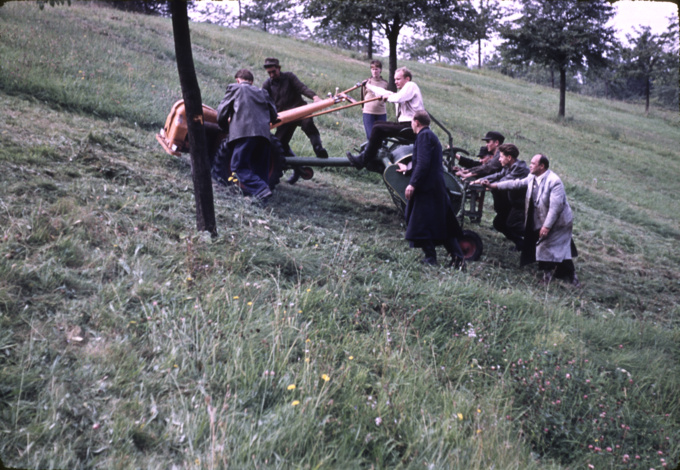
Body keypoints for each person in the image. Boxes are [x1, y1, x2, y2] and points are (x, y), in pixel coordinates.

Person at [485, 154, 580, 286]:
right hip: (543, 218)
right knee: (547, 247)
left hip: (559, 222)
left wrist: (546, 226)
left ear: (542, 166)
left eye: (533, 163)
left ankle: (567, 278)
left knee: (553, 248)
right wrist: (494, 186)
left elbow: (555, 208)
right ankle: (554, 276)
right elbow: (516, 183)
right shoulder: (532, 177)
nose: (530, 165)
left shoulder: (554, 182)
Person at [401, 110, 465, 268]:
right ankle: (456, 258)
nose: (411, 124)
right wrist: (408, 169)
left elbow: (423, 163)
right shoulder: (429, 136)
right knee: (442, 222)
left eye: (412, 122)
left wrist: (412, 183)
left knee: (418, 221)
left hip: (428, 188)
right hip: (434, 186)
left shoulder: (424, 136)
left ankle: (431, 257)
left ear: (416, 122)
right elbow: (424, 162)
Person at [214, 68, 278, 203]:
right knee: (261, 170)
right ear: (252, 82)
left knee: (237, 167)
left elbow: (222, 112)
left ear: (238, 80)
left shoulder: (235, 89)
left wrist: (225, 128)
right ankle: (262, 200)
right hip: (264, 136)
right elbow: (274, 115)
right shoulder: (263, 92)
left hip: (245, 134)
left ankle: (260, 189)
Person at [346, 67, 425, 170]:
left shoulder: (411, 86)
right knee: (377, 125)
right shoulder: (403, 92)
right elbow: (383, 92)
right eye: (395, 79)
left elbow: (398, 98)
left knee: (378, 128)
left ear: (407, 79)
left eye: (398, 79)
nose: (395, 82)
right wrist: (368, 85)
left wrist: (388, 97)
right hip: (406, 126)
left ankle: (363, 160)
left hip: (413, 128)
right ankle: (371, 157)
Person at [262, 57, 328, 161]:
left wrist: (315, 97)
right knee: (279, 142)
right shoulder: (267, 85)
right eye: (269, 73)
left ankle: (318, 149)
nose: (272, 75)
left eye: (273, 72)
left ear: (279, 68)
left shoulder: (289, 77)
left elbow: (302, 88)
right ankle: (297, 166)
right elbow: (263, 101)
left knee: (308, 124)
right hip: (284, 117)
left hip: (300, 111)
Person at [474, 143, 529, 251]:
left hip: (524, 204)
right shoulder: (509, 166)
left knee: (513, 225)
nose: (499, 159)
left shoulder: (519, 168)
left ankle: (538, 239)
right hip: (514, 202)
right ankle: (521, 244)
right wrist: (479, 181)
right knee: (499, 223)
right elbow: (498, 175)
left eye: (501, 157)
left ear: (509, 157)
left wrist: (489, 186)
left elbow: (504, 181)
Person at [361, 60, 388, 140]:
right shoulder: (366, 82)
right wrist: (363, 107)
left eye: (376, 69)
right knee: (371, 136)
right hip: (368, 112)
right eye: (372, 69)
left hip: (381, 112)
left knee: (382, 137)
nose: (374, 71)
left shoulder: (385, 83)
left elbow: (387, 97)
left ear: (380, 70)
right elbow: (363, 96)